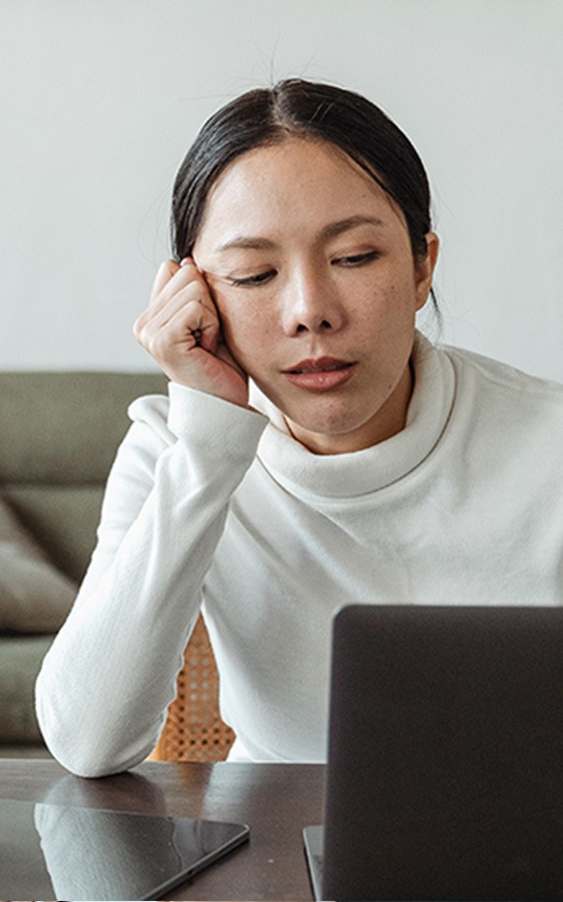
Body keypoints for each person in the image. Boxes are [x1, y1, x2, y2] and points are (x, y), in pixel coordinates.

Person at [35, 77, 563, 776]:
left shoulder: (547, 444)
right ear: (194, 295)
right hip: (278, 854)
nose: (309, 310)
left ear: (421, 266)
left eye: (353, 258)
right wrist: (208, 446)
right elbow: (88, 743)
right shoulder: (175, 448)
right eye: (255, 274)